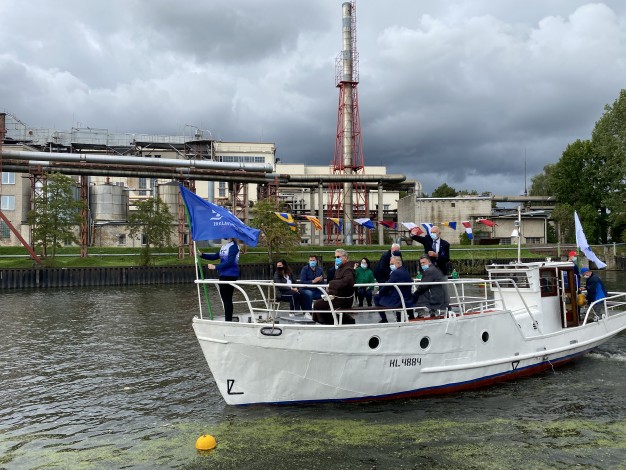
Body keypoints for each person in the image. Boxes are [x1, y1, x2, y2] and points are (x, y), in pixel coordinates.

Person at [200, 238, 239, 321]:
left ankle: (228, 320)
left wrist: (216, 267)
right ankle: (228, 319)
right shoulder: (224, 246)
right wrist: (201, 255)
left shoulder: (234, 247)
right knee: (225, 299)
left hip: (230, 275)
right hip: (223, 275)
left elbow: (230, 262)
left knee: (227, 299)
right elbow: (215, 256)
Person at [313, 249, 355, 324]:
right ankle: (339, 321)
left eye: (338, 257)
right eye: (335, 257)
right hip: (338, 297)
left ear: (345, 257)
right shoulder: (341, 268)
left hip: (343, 300)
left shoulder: (347, 269)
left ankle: (327, 322)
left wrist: (331, 284)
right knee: (319, 303)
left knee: (318, 304)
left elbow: (347, 281)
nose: (336, 259)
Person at [375, 256, 414, 323]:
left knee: (376, 297)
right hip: (407, 298)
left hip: (398, 300)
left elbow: (388, 286)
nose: (390, 266)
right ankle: (407, 316)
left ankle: (384, 319)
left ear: (398, 263)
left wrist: (380, 292)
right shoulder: (406, 272)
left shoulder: (395, 272)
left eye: (392, 264)